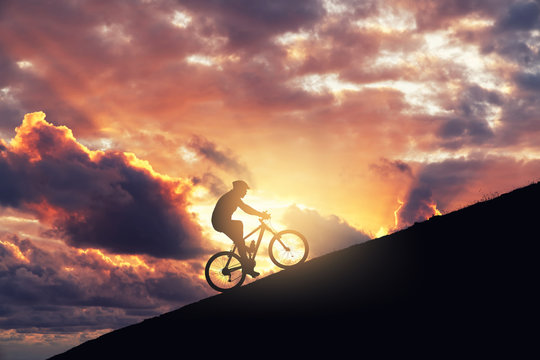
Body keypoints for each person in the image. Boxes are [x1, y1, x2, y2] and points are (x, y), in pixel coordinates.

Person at [212, 180, 269, 278]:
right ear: (239, 189)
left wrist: (260, 214)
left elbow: (246, 208)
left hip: (222, 222)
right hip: (220, 222)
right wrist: (261, 214)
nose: (245, 192)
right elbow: (246, 208)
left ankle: (243, 249)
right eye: (244, 190)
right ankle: (246, 266)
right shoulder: (232, 197)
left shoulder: (233, 196)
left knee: (239, 235)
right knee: (239, 229)